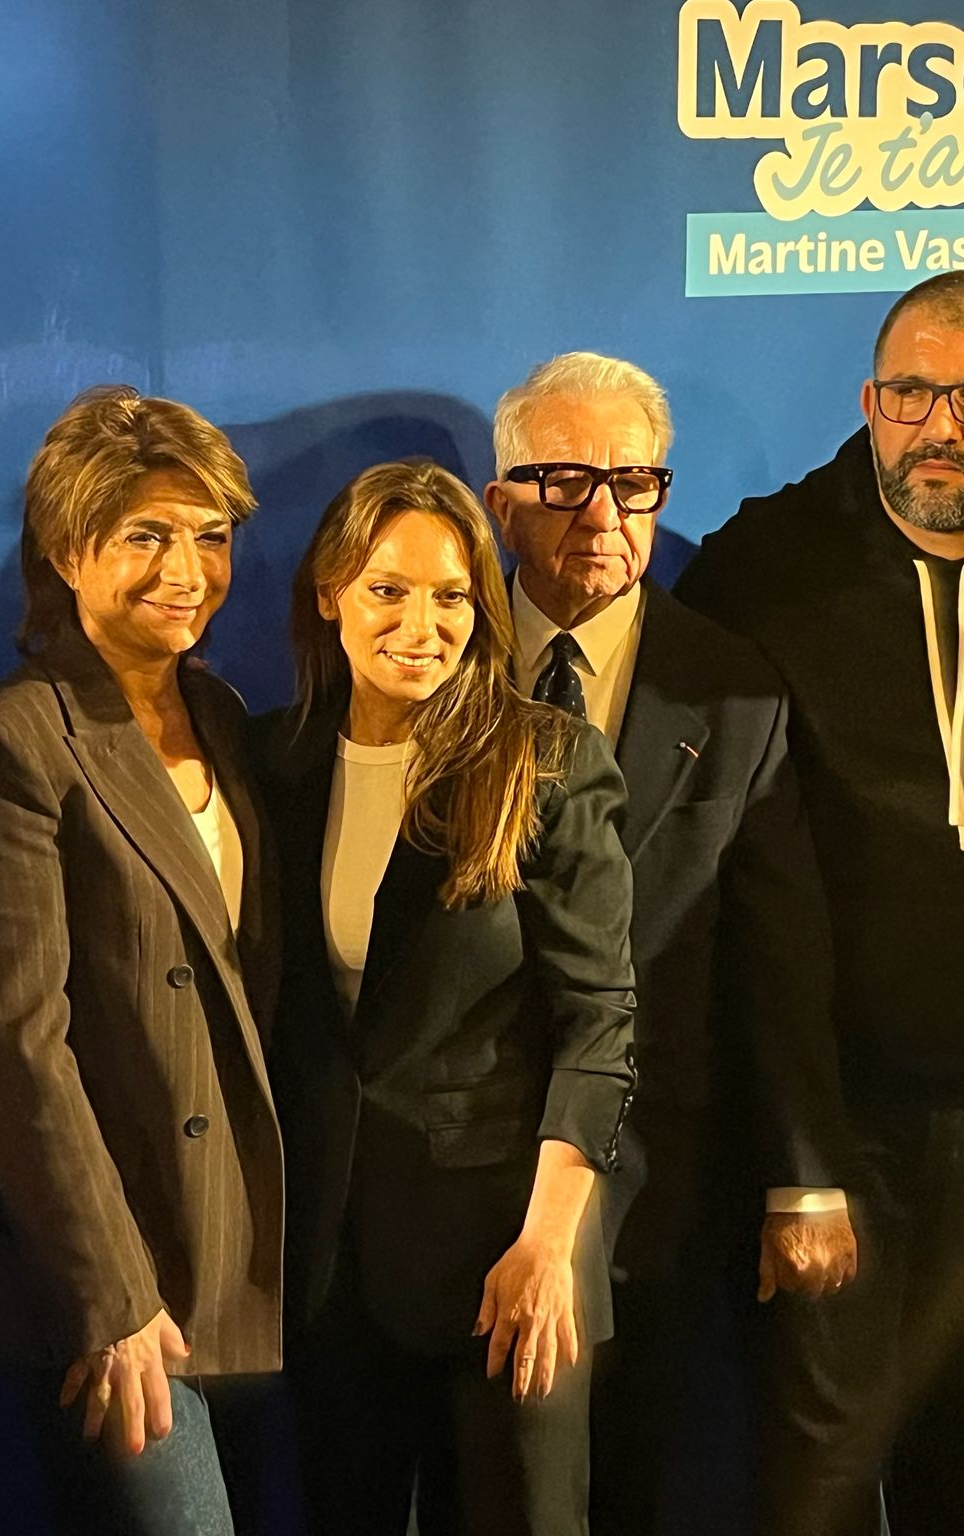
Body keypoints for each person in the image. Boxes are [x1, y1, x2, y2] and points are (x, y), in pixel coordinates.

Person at [674, 271, 964, 1536]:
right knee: (816, 1450)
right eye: (910, 393)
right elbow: (718, 875)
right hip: (832, 1105)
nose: (937, 425)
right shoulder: (758, 569)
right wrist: (793, 1160)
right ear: (869, 402)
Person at [482, 352, 853, 1536]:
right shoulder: (424, 655)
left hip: (655, 1180)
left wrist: (801, 1171)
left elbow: (777, 951)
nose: (600, 515)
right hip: (449, 1173)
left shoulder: (734, 689)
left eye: (632, 482)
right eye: (561, 481)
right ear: (498, 501)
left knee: (630, 1485)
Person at [0, 386, 285, 1535]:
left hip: (248, 1256)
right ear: (67, 551)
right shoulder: (4, 745)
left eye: (209, 537)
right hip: (119, 1283)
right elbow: (20, 1052)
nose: (187, 569)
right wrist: (110, 1299)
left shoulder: (222, 713)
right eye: (146, 536)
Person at [259, 457, 637, 1535]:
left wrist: (546, 1246)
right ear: (329, 592)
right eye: (387, 589)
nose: (421, 623)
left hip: (506, 1265)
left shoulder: (546, 763)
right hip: (333, 1268)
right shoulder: (272, 763)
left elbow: (599, 1026)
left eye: (450, 594)